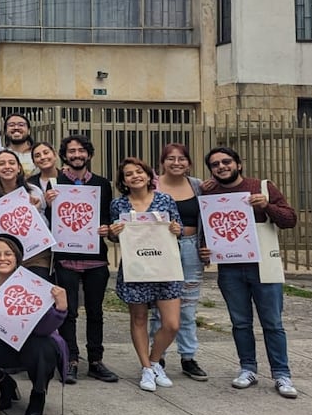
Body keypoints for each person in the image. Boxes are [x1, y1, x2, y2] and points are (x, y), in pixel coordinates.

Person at [199, 146, 298, 398]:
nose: (221, 167)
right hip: (230, 270)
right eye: (215, 164)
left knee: (273, 323)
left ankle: (281, 374)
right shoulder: (209, 193)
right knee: (240, 323)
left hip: (263, 266)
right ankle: (248, 368)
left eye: (226, 162)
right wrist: (204, 249)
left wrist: (267, 206)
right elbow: (207, 229)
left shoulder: (262, 187)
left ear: (238, 164)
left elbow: (289, 220)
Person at [0, 234, 67, 415]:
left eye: (8, 254)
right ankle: (5, 383)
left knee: (44, 347)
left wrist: (60, 309)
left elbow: (45, 328)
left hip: (31, 341)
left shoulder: (34, 286)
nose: (2, 258)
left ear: (17, 257)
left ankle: (38, 393)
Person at [107, 157, 184, 393]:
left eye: (139, 172)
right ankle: (146, 368)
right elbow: (114, 237)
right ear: (124, 181)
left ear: (149, 175)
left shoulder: (164, 200)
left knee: (171, 324)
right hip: (136, 267)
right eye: (129, 174)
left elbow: (178, 229)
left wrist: (176, 229)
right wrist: (113, 232)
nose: (135, 176)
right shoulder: (119, 205)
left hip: (164, 268)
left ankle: (154, 360)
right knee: (138, 319)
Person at [51, 135, 119, 385]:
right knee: (67, 312)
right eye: (71, 151)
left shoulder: (102, 184)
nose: (76, 155)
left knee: (95, 311)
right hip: (65, 258)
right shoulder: (54, 184)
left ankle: (96, 361)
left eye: (81, 151)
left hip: (95, 259)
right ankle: (71, 359)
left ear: (89, 154)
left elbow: (108, 217)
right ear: (64, 155)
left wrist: (107, 229)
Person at [149, 142, 208, 381]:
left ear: (189, 163)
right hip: (160, 249)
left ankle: (188, 356)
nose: (176, 163)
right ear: (162, 163)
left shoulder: (199, 186)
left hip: (190, 248)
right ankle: (157, 355)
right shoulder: (153, 185)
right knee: (157, 305)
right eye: (170, 158)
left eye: (181, 158)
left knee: (188, 306)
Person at [0, 149, 51, 279]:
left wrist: (35, 212)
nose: (7, 166)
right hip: (5, 255)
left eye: (11, 163)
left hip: (35, 254)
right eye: (2, 163)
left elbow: (45, 225)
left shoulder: (34, 191)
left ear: (19, 168)